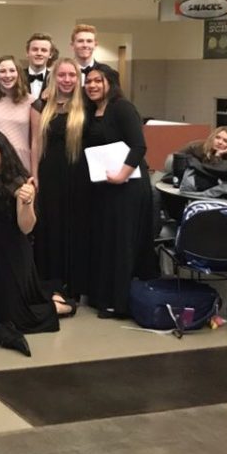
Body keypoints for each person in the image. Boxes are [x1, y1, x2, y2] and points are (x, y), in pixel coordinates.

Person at [0, 130, 75, 334]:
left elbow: (26, 227)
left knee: (16, 321)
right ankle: (47, 295)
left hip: (12, 252)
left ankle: (61, 307)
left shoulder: (18, 182)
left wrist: (27, 201)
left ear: (3, 153)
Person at [83, 64, 157, 318]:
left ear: (110, 83)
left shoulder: (122, 108)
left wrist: (122, 175)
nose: (91, 85)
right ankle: (102, 297)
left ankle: (119, 302)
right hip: (105, 187)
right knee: (106, 240)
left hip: (128, 186)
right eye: (89, 81)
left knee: (122, 243)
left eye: (97, 81)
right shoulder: (93, 110)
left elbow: (139, 146)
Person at [29, 58, 90, 298]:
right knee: (50, 227)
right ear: (53, 78)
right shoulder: (39, 106)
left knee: (76, 227)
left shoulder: (86, 104)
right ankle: (51, 283)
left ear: (78, 78)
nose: (67, 80)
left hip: (79, 173)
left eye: (71, 75)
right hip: (50, 173)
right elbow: (35, 143)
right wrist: (34, 175)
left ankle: (75, 283)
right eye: (62, 75)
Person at [23, 33, 53, 99]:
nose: (39, 53)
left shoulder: (55, 79)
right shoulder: (17, 76)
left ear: (50, 54)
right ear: (27, 53)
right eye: (35, 49)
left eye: (44, 50)